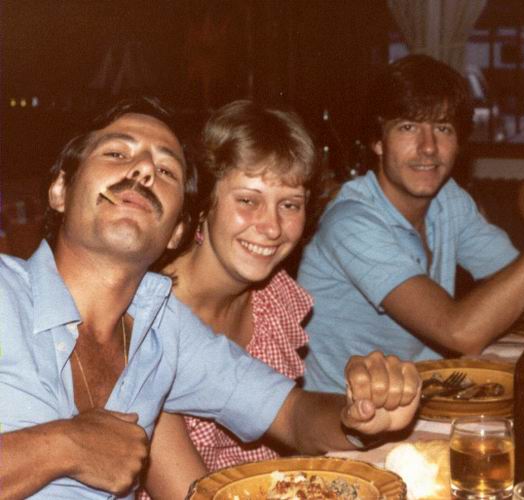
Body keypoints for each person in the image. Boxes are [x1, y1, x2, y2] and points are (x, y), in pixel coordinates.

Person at [0, 97, 420, 499]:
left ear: (177, 232)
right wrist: (64, 446)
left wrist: (359, 416)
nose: (143, 169)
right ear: (60, 191)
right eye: (116, 154)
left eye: (166, 170)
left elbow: (290, 413)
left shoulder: (163, 327)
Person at [297, 54, 524, 394]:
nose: (428, 148)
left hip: (422, 395)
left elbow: (522, 286)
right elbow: (459, 332)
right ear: (377, 141)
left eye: (443, 129)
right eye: (408, 127)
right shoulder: (351, 223)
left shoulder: (448, 200)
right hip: (345, 413)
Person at [135, 101, 320, 498]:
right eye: (248, 200)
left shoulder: (274, 298)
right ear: (205, 203)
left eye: (289, 204)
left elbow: (295, 422)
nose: (272, 227)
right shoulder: (146, 317)